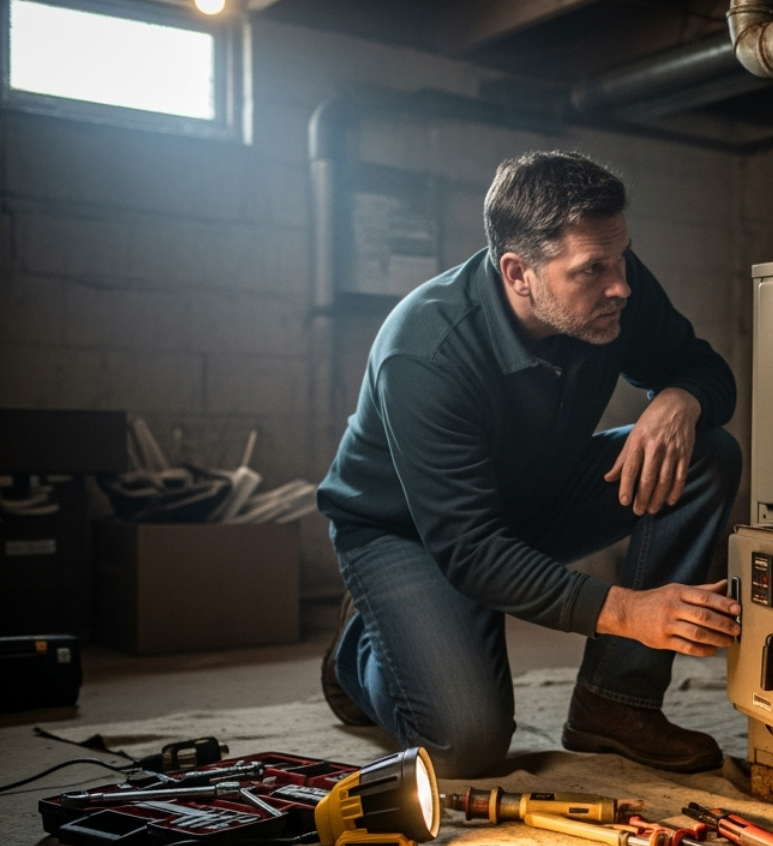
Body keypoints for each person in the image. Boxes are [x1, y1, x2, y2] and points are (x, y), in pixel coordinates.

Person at [316, 150, 743, 778]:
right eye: (592, 270)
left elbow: (706, 370)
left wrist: (680, 398)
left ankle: (615, 705)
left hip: (532, 492)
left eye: (620, 257)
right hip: (409, 534)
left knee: (706, 454)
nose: (619, 284)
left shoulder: (615, 288)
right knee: (468, 746)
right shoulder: (423, 353)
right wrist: (631, 611)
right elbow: (470, 549)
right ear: (519, 273)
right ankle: (362, 652)